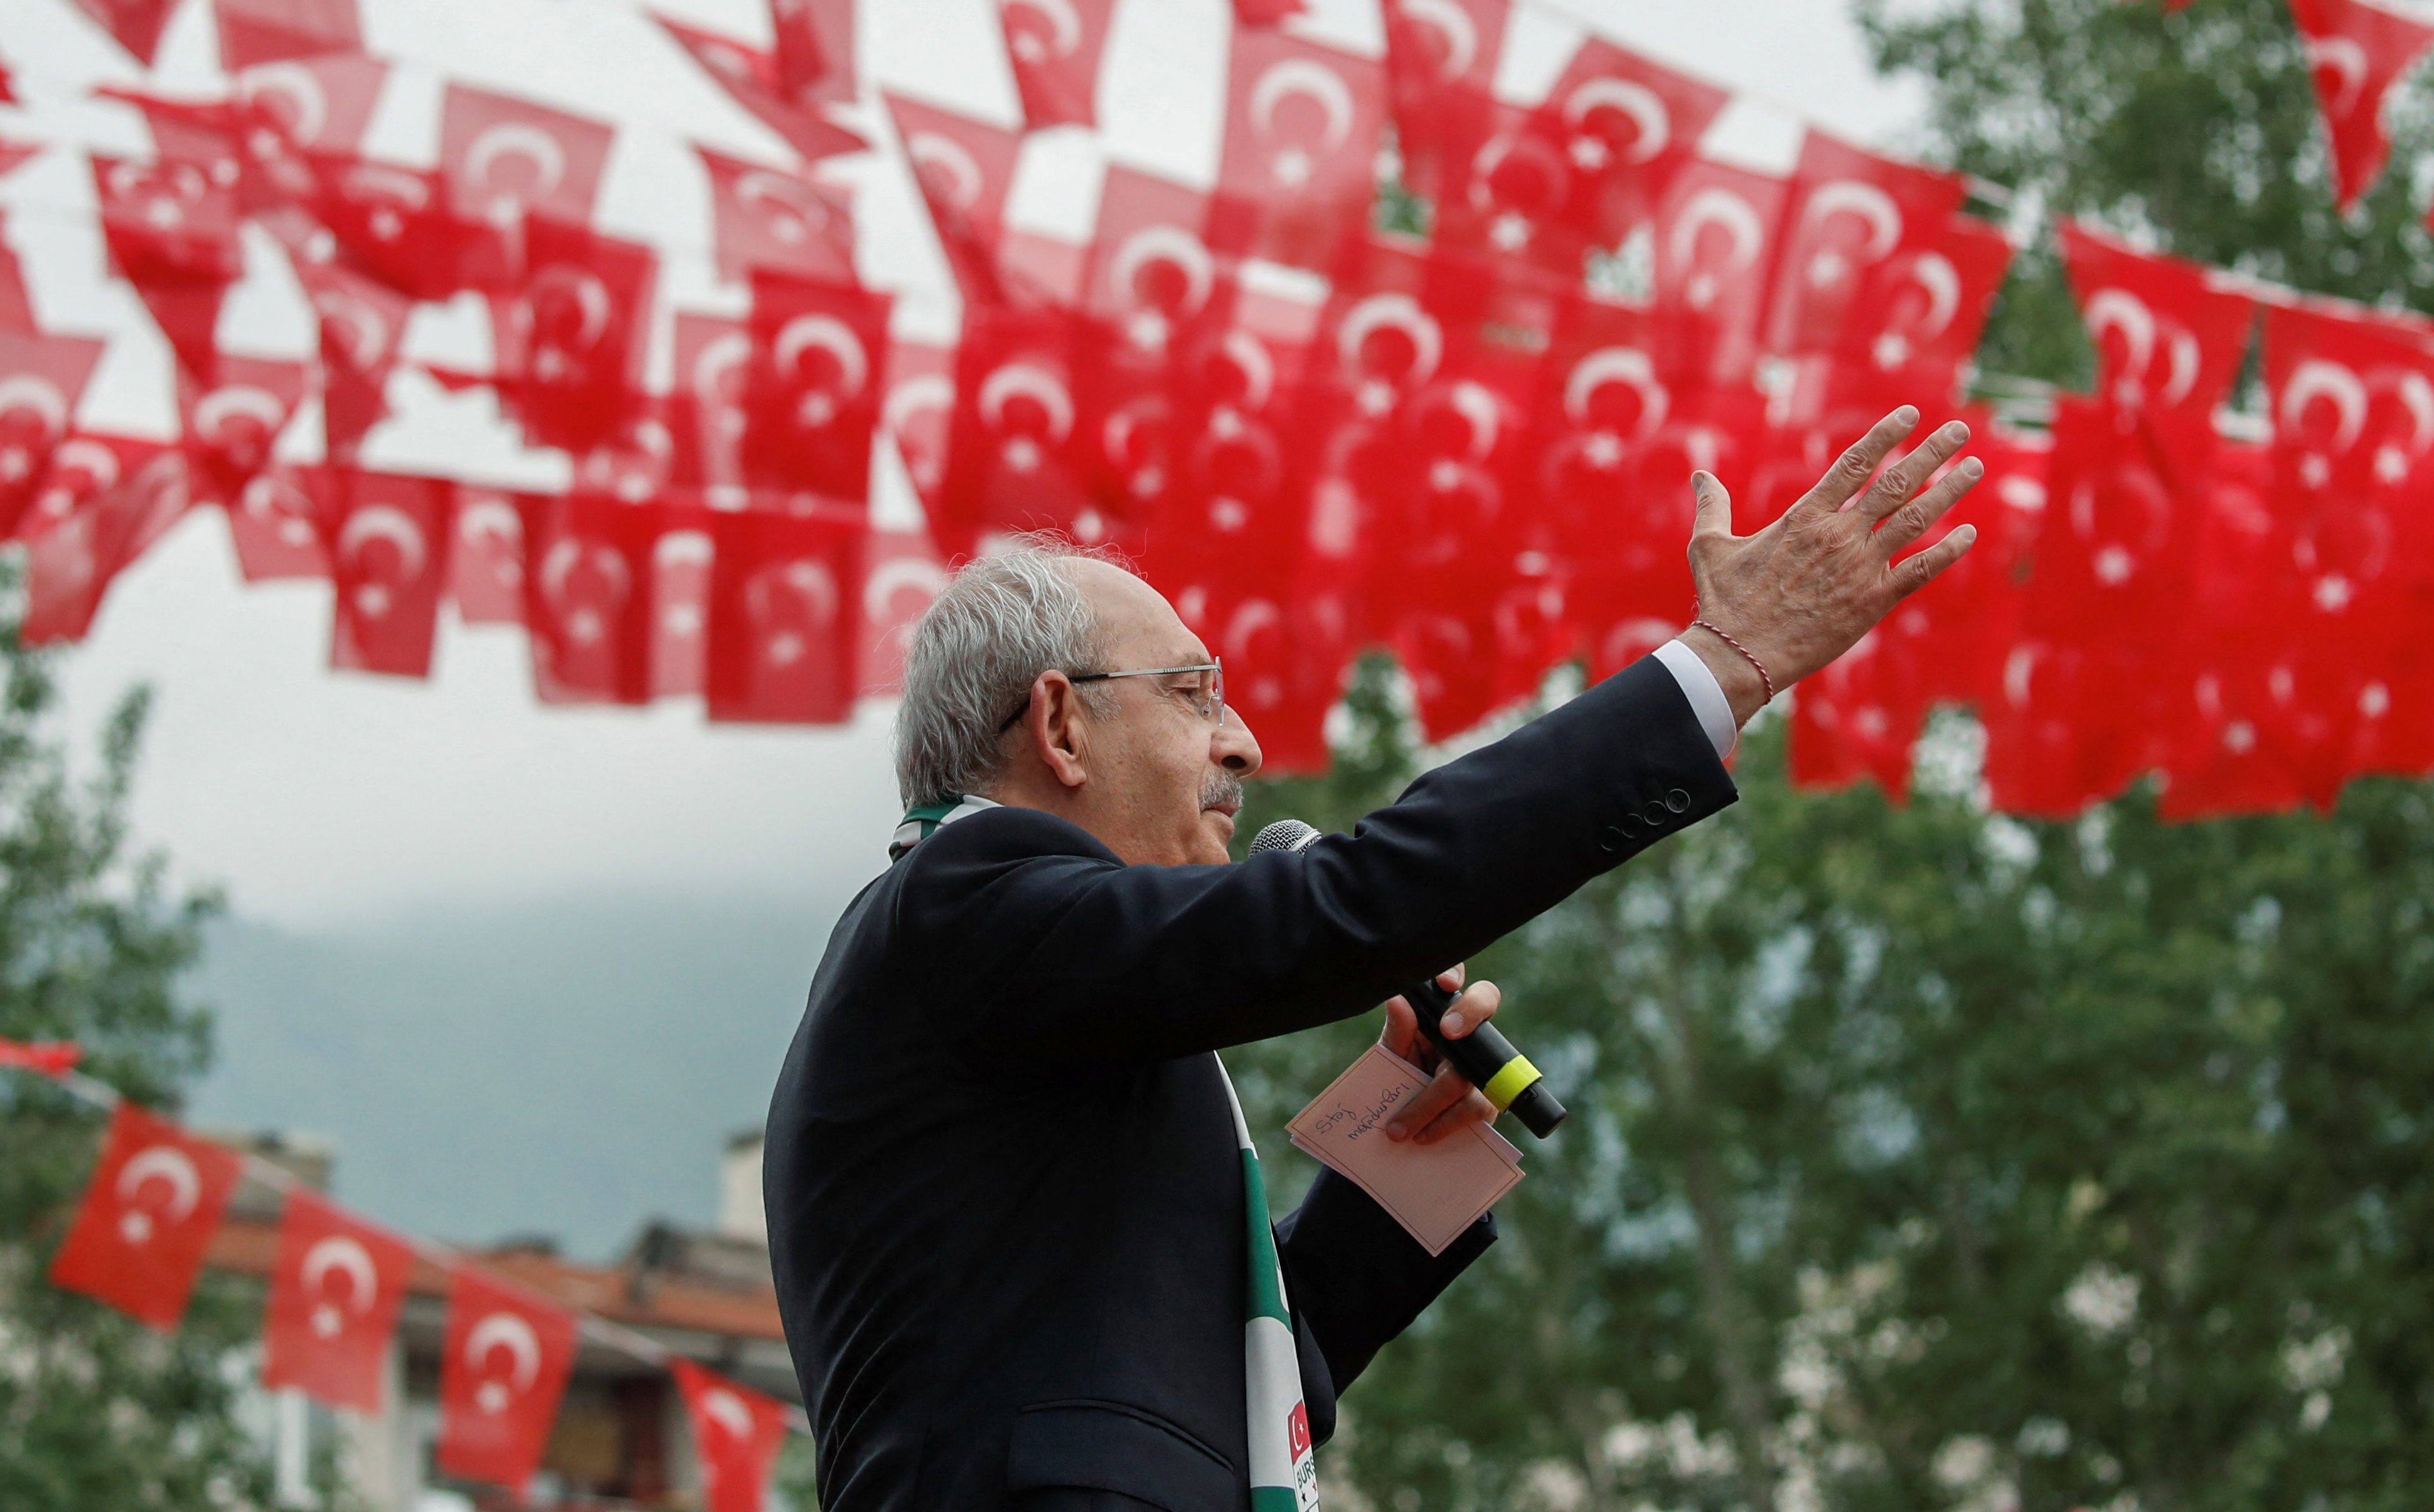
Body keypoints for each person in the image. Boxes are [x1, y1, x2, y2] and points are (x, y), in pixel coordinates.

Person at [766, 408, 1983, 1510]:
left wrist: (1417, 1134)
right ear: (1061, 725)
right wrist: (1722, 664)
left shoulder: (1039, 991)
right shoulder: (959, 908)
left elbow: (1247, 1391)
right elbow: (1349, 909)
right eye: (1195, 695)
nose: (1243, 746)